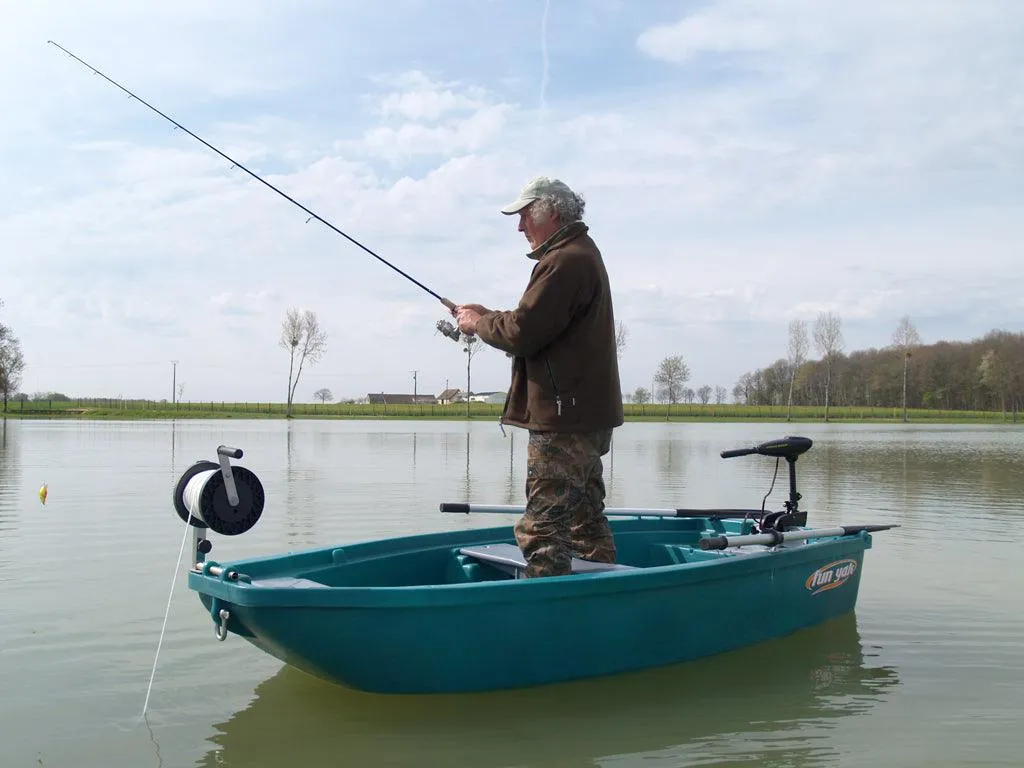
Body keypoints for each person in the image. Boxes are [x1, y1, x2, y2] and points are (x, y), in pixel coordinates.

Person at [453, 175, 624, 578]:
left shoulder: (564, 261)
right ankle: (607, 594)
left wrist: (478, 323)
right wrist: (484, 317)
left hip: (563, 421)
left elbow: (522, 333)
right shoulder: (580, 254)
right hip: (585, 418)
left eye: (525, 215)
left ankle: (545, 607)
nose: (519, 226)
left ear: (553, 212)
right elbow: (535, 324)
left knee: (542, 528)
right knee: (585, 520)